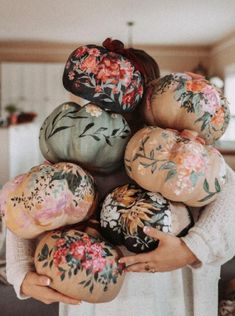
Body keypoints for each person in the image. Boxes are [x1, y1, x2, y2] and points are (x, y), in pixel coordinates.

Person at [5, 41, 235, 315]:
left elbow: (230, 198)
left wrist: (192, 249)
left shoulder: (186, 154)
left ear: (152, 96)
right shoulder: (77, 149)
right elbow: (27, 205)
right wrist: (21, 274)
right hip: (94, 295)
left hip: (171, 293)